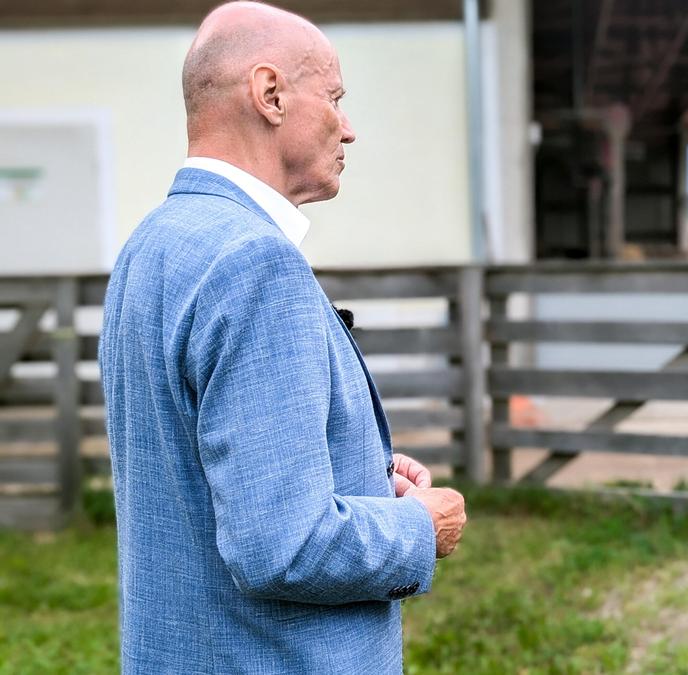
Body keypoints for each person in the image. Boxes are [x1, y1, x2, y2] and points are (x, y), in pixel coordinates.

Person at [99, 2, 466, 671]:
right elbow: (286, 547)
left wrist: (359, 469)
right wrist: (422, 527)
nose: (348, 129)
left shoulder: (151, 246)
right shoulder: (253, 261)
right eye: (334, 97)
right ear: (270, 94)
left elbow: (197, 467)